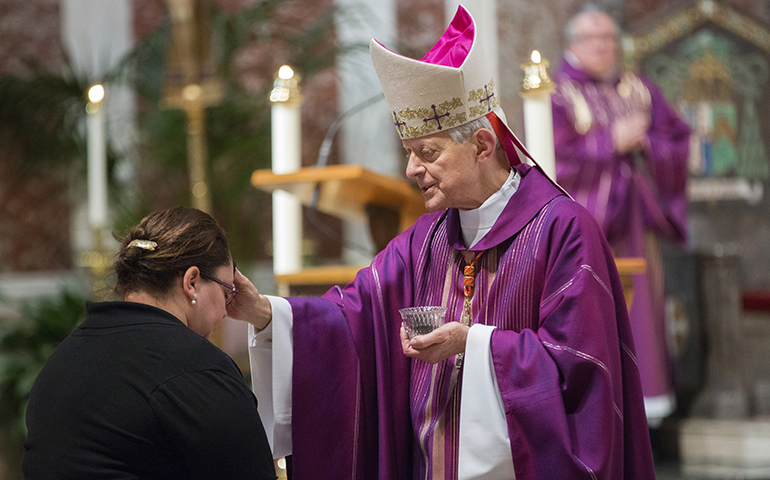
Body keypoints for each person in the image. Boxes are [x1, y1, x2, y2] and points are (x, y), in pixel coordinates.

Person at [230, 5, 655, 479]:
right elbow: (350, 317)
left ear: (481, 146)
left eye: (427, 152)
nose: (412, 169)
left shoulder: (562, 230)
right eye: (410, 153)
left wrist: (470, 344)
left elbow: (581, 370)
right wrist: (265, 314)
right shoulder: (424, 241)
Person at [23, 207, 276, 480]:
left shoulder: (65, 356)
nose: (227, 312)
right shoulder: (196, 366)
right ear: (191, 282)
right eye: (228, 292)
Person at [551, 3, 691, 427]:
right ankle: (595, 411)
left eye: (609, 38)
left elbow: (678, 141)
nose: (603, 46)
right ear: (573, 44)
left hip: (635, 223)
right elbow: (551, 160)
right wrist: (608, 142)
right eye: (593, 39)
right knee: (592, 311)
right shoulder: (555, 95)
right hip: (585, 228)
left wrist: (647, 144)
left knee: (642, 316)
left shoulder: (639, 89)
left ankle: (644, 410)